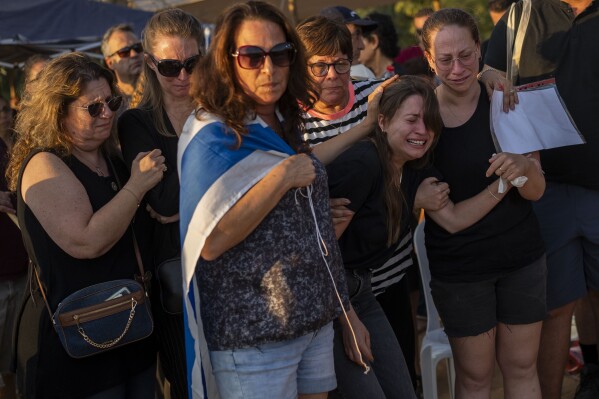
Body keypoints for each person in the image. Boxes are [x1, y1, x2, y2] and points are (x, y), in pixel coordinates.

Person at [178, 2, 394, 397]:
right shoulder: (212, 133)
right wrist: (281, 178)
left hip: (311, 321)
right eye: (252, 56)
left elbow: (311, 192)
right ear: (227, 61)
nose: (268, 68)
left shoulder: (281, 120)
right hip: (254, 337)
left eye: (280, 55)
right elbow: (210, 241)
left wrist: (341, 309)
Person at [6, 52, 164, 398]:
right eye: (93, 107)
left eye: (112, 102)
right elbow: (87, 241)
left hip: (129, 331)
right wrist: (137, 187)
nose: (107, 113)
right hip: (78, 345)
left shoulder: (114, 160)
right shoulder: (45, 164)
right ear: (58, 112)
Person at [421, 8, 547, 398]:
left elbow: (537, 189)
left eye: (466, 56)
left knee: (523, 367)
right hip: (461, 270)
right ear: (428, 59)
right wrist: (506, 183)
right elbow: (452, 221)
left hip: (522, 257)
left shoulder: (505, 101)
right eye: (445, 59)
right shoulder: (422, 117)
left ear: (480, 50)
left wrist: (525, 167)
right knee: (475, 377)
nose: (457, 68)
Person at [296, 16, 422, 393]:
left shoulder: (377, 93)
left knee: (404, 382)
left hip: (389, 277)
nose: (332, 74)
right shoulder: (291, 121)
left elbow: (431, 100)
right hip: (333, 284)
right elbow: (289, 173)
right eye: (320, 65)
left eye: (341, 63)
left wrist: (490, 75)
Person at [481, 0, 599, 397]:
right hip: (542, 190)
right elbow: (484, 67)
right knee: (554, 308)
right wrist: (490, 75)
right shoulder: (523, 12)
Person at [326, 76, 442, 399]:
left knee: (404, 392)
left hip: (363, 292)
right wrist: (346, 318)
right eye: (411, 120)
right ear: (382, 121)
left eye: (429, 122)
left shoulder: (411, 166)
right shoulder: (363, 163)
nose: (422, 130)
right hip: (331, 299)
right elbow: (320, 253)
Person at [118, 9, 202, 399]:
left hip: (229, 271)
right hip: (174, 282)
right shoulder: (138, 123)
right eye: (170, 67)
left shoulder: (217, 111)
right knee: (188, 385)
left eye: (192, 63)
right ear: (150, 64)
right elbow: (164, 202)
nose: (183, 76)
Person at [0, 95, 28, 399]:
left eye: (5, 109)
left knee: (13, 363)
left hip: (22, 270)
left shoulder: (11, 147)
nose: (3, 116)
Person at [319, 5, 378, 80]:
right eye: (356, 34)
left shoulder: (363, 73)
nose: (362, 46)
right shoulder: (362, 75)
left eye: (360, 35)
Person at [102, 24, 143, 105]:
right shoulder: (109, 104)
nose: (134, 54)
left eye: (137, 47)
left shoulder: (161, 90)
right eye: (124, 52)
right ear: (110, 63)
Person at [360, 12, 400, 79]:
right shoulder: (365, 79)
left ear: (374, 41)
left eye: (360, 40)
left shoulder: (402, 80)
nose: (357, 46)